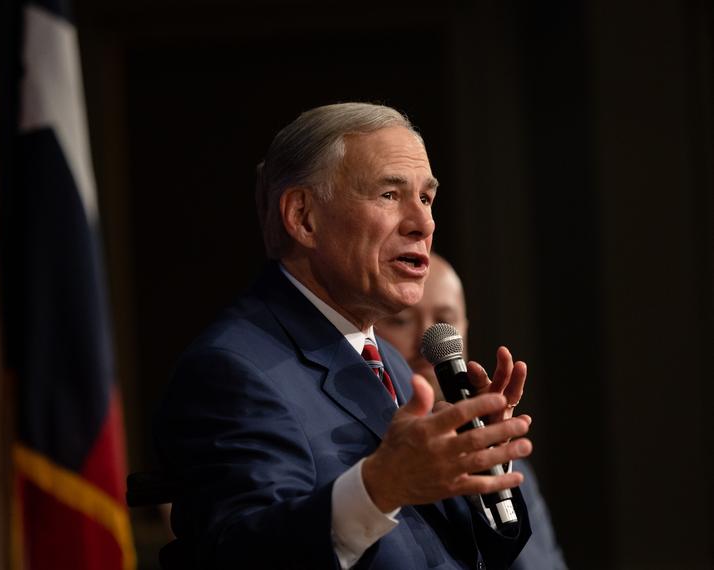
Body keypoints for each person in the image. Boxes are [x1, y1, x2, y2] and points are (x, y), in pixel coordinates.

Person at [154, 102, 534, 569]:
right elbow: (242, 556)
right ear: (304, 217)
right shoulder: (232, 369)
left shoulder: (387, 361)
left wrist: (477, 465)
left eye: (427, 198)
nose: (423, 223)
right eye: (390, 195)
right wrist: (380, 488)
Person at [375, 253, 567, 569]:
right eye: (401, 320)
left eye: (444, 322)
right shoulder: (372, 449)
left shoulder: (505, 462)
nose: (425, 342)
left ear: (464, 329)